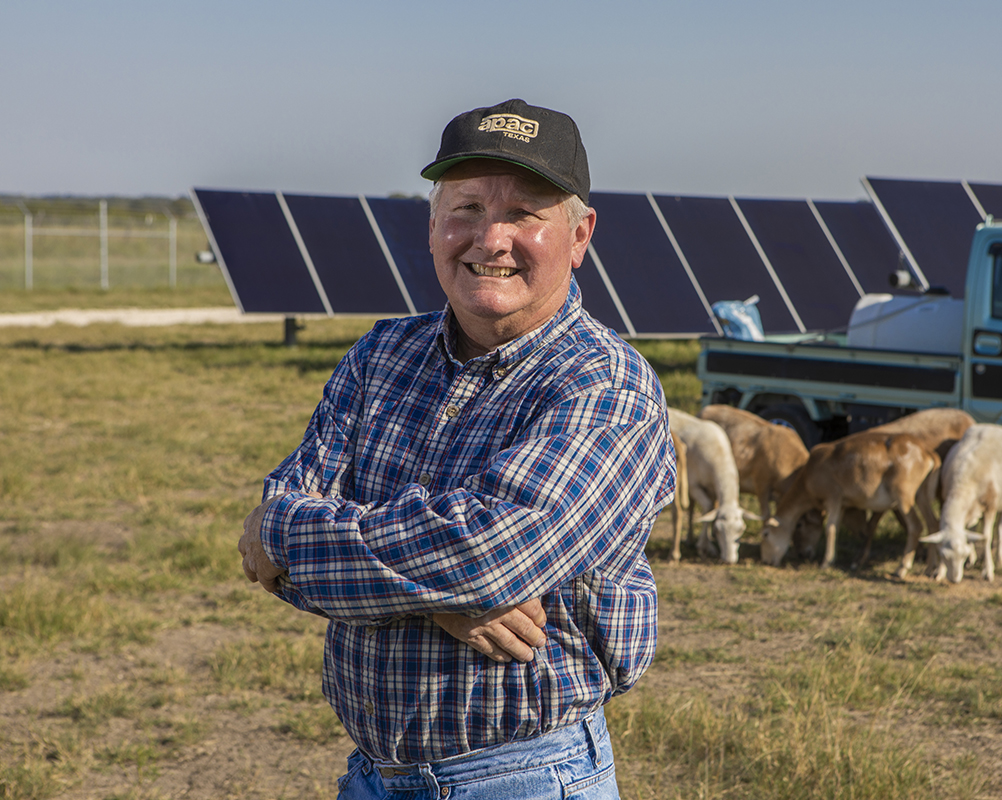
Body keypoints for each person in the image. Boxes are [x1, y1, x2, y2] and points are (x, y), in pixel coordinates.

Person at [237, 98, 675, 800]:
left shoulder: (605, 385)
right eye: (466, 207)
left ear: (579, 233)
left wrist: (290, 539)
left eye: (525, 213)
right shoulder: (382, 355)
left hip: (523, 778)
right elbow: (279, 519)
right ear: (434, 222)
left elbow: (489, 552)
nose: (490, 238)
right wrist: (443, 596)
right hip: (372, 776)